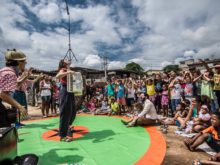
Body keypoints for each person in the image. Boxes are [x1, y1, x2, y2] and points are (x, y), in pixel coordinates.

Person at [0, 49, 27, 127]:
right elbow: (2, 94)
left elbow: (15, 84)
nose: (25, 63)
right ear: (19, 62)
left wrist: (26, 76)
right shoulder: (10, 73)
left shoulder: (5, 70)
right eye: (24, 61)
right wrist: (20, 107)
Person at [56, 59, 76, 142]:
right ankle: (62, 135)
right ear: (64, 63)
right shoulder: (63, 69)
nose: (68, 59)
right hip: (65, 90)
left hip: (71, 91)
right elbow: (58, 76)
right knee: (65, 112)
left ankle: (68, 127)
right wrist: (68, 72)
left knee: (72, 112)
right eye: (66, 59)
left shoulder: (68, 69)